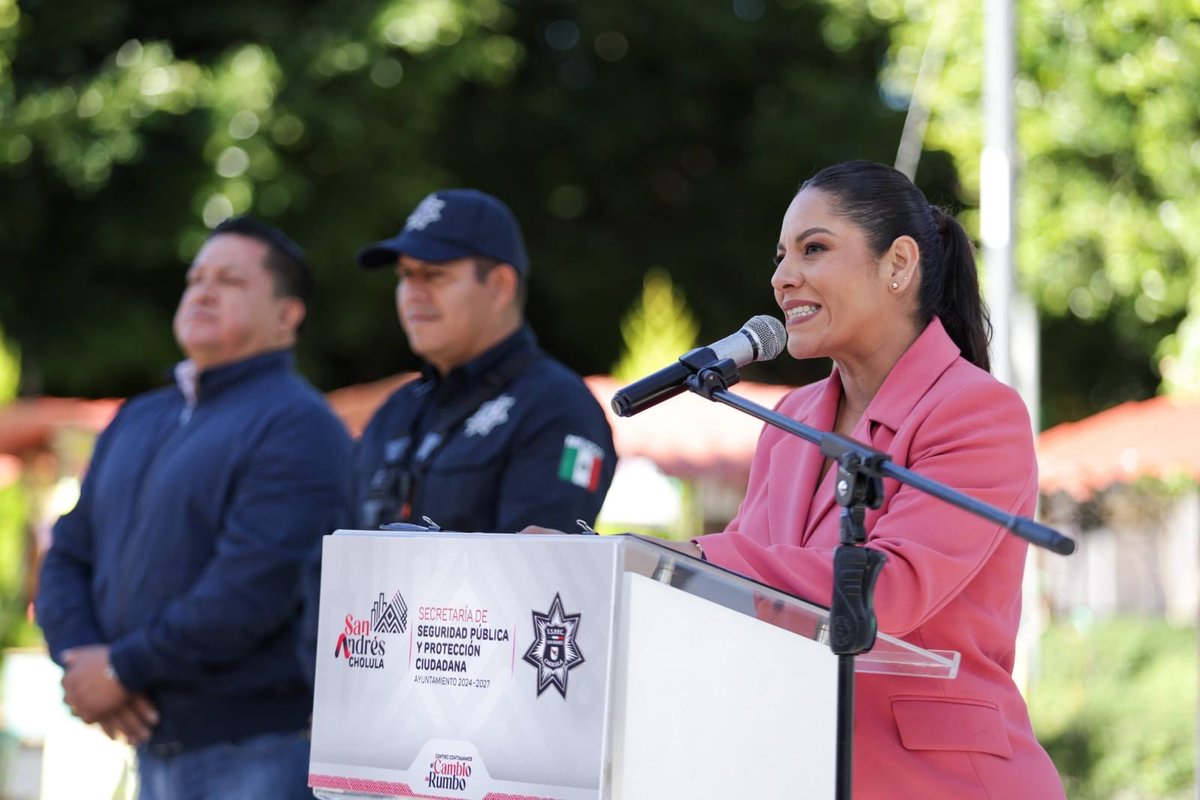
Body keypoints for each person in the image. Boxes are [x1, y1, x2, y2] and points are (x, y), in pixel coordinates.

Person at [657, 161, 1064, 797]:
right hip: (796, 768)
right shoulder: (790, 419)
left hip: (942, 780)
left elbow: (889, 591)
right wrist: (619, 568)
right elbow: (748, 583)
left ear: (898, 265)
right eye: (781, 255)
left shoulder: (977, 412)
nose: (782, 277)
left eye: (813, 249)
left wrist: (688, 557)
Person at [36, 216, 352, 800]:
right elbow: (69, 554)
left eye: (230, 280)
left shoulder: (299, 425)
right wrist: (84, 662)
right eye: (196, 277)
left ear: (288, 315)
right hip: (155, 750)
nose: (203, 291)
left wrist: (122, 670)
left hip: (257, 753)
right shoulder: (138, 417)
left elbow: (253, 587)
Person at [349, 188, 616, 533]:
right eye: (405, 275)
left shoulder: (558, 407)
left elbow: (538, 571)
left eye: (434, 275)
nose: (413, 294)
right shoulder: (396, 410)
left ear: (501, 285)